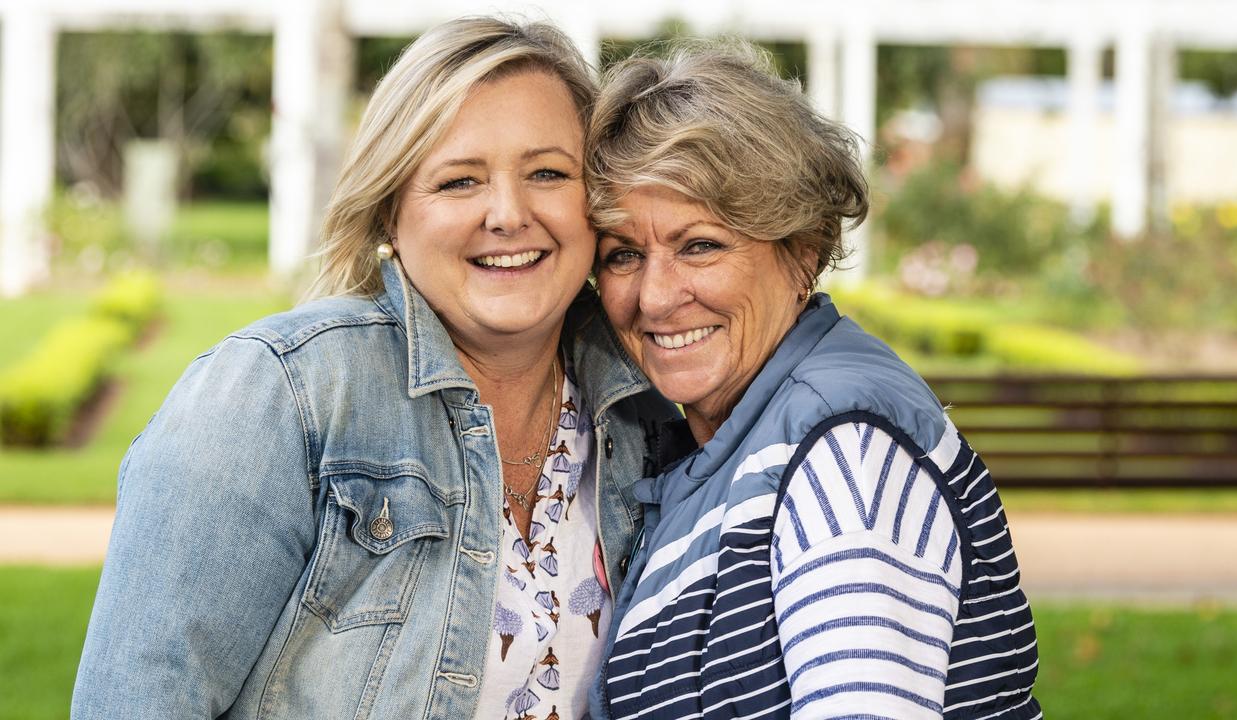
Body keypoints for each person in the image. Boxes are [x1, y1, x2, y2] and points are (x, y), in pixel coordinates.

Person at [72, 17, 677, 719]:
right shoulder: (281, 396)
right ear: (392, 213)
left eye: (547, 172)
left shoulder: (646, 417)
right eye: (458, 181)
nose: (509, 214)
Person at [585, 43, 1042, 720]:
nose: (654, 297)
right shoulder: (737, 441)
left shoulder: (842, 454)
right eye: (623, 254)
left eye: (700, 246)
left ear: (803, 251)